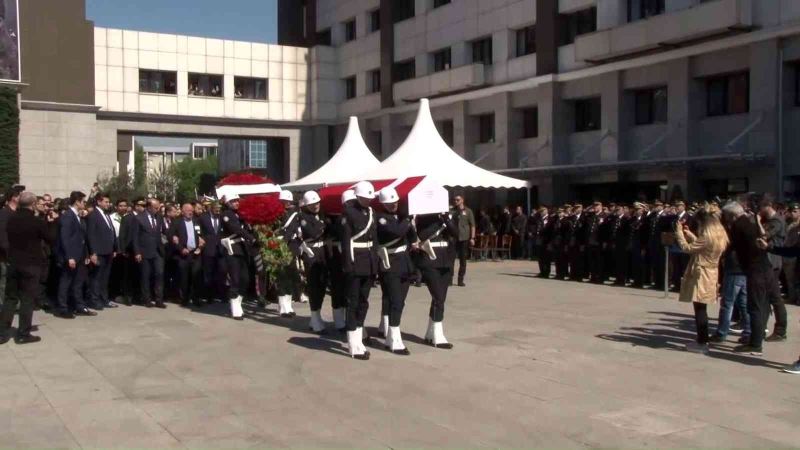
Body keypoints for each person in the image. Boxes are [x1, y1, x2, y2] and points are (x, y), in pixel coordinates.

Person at [0, 192, 57, 344]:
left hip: (13, 263)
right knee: (27, 299)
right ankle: (23, 333)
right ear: (32, 204)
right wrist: (51, 222)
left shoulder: (10, 219)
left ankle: (2, 332)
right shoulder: (36, 221)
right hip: (30, 265)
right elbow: (50, 239)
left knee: (10, 298)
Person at [723, 201, 776, 356]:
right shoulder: (751, 222)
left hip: (754, 270)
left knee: (755, 307)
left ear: (731, 215)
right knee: (762, 305)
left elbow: (735, 249)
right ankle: (756, 338)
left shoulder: (738, 226)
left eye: (726, 216)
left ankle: (755, 343)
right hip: (765, 268)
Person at [674, 204, 729, 354]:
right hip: (711, 271)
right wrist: (691, 235)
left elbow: (688, 249)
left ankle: (702, 341)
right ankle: (702, 339)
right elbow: (702, 245)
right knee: (702, 307)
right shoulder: (720, 233)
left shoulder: (706, 236)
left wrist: (679, 233)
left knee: (699, 308)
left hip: (701, 273)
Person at [340, 181, 379, 360]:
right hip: (356, 262)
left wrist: (376, 264)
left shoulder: (371, 212)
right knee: (353, 302)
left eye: (370, 198)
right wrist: (348, 264)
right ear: (358, 196)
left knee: (364, 301)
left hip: (369, 262)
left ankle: (358, 336)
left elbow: (375, 240)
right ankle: (352, 343)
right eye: (365, 198)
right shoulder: (349, 212)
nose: (369, 201)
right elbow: (346, 241)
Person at [375, 187, 415, 355]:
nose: (394, 205)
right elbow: (396, 232)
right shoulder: (381, 218)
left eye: (395, 202)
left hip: (404, 262)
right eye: (390, 203)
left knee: (401, 301)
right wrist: (407, 220)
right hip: (390, 263)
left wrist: (410, 223)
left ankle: (390, 336)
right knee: (395, 300)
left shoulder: (400, 217)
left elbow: (411, 237)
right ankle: (395, 338)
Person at [414, 210, 458, 349]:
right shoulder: (424, 216)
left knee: (440, 298)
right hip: (430, 259)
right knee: (438, 297)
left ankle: (430, 333)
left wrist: (446, 219)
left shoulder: (447, 217)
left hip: (445, 259)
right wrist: (438, 221)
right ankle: (438, 336)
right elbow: (422, 235)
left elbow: (457, 234)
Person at [292, 191, 329, 333]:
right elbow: (313, 232)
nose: (316, 206)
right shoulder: (303, 217)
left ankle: (317, 315)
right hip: (311, 253)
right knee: (314, 286)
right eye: (313, 204)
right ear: (307, 205)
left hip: (322, 252)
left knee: (322, 285)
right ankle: (314, 317)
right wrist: (323, 225)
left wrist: (323, 224)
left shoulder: (320, 215)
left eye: (317, 203)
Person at [55, 191, 95, 318]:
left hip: (81, 255)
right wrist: (69, 256)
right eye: (83, 202)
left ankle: (79, 306)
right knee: (66, 282)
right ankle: (63, 308)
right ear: (77, 202)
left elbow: (82, 237)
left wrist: (87, 255)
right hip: (71, 256)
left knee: (78, 282)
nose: (84, 204)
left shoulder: (78, 216)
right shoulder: (68, 216)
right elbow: (65, 238)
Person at [219, 194, 255, 320]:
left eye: (237, 201)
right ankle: (234, 305)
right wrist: (251, 238)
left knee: (245, 278)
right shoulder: (226, 215)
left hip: (242, 248)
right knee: (235, 278)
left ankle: (238, 302)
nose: (236, 203)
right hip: (232, 250)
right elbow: (235, 229)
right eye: (233, 201)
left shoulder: (239, 215)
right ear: (228, 203)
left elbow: (245, 228)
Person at [757, 198, 788, 342]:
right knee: (766, 297)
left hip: (772, 262)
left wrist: (757, 222)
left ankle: (780, 330)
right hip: (767, 262)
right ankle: (761, 328)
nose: (759, 211)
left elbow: (764, 235)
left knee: (774, 298)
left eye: (761, 208)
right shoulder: (770, 220)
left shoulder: (777, 221)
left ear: (768, 206)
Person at [132, 198, 167, 309]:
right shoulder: (138, 218)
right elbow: (135, 237)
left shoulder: (159, 217)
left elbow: (163, 232)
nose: (157, 210)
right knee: (145, 276)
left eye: (158, 208)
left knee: (159, 274)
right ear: (148, 207)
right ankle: (146, 299)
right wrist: (137, 252)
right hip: (145, 250)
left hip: (157, 250)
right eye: (155, 208)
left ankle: (159, 299)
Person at [169, 203, 205, 308]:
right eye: (188, 210)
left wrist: (202, 241)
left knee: (196, 276)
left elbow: (201, 234)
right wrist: (180, 248)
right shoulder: (176, 222)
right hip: (183, 254)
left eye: (191, 210)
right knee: (184, 278)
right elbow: (171, 236)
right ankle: (184, 298)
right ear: (183, 211)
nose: (190, 212)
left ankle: (196, 298)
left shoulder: (196, 221)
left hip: (195, 253)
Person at [86, 193, 118, 310]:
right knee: (96, 277)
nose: (108, 204)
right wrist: (93, 252)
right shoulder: (93, 215)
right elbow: (91, 235)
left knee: (105, 278)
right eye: (106, 202)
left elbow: (111, 232)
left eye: (108, 202)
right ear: (99, 202)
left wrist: (114, 248)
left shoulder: (106, 215)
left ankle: (104, 299)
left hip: (108, 251)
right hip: (98, 251)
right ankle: (94, 300)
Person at [275, 190, 299, 318]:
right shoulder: (276, 214)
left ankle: (288, 305)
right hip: (278, 247)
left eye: (288, 201)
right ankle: (282, 305)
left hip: (290, 247)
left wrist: (284, 241)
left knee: (290, 275)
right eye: (284, 201)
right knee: (281, 276)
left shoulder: (294, 214)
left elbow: (291, 230)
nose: (287, 203)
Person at [198, 200, 226, 304]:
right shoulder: (203, 218)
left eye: (219, 210)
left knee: (222, 272)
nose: (218, 212)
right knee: (208, 273)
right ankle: (209, 296)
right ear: (211, 208)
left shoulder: (222, 217)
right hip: (208, 248)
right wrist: (200, 239)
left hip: (220, 249)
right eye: (216, 210)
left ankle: (222, 295)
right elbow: (198, 230)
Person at [0, 189, 19, 309]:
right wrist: (8, 252)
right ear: (13, 198)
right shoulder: (4, 213)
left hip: (17, 254)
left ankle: (13, 303)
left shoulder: (17, 213)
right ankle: (3, 305)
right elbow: (3, 235)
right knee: (4, 280)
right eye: (19, 195)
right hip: (5, 254)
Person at [451, 194, 475, 286]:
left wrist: (472, 238)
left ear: (462, 200)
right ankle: (449, 279)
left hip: (464, 238)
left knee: (463, 260)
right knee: (451, 259)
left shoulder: (468, 211)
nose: (456, 201)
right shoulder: (453, 211)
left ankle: (460, 280)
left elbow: (472, 225)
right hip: (454, 238)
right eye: (455, 200)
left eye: (457, 200)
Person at [783, 203, 800, 305]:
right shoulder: (790, 224)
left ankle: (795, 298)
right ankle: (792, 296)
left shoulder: (797, 226)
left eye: (795, 211)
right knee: (789, 279)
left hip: (794, 254)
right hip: (787, 253)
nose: (793, 213)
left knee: (794, 279)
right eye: (791, 211)